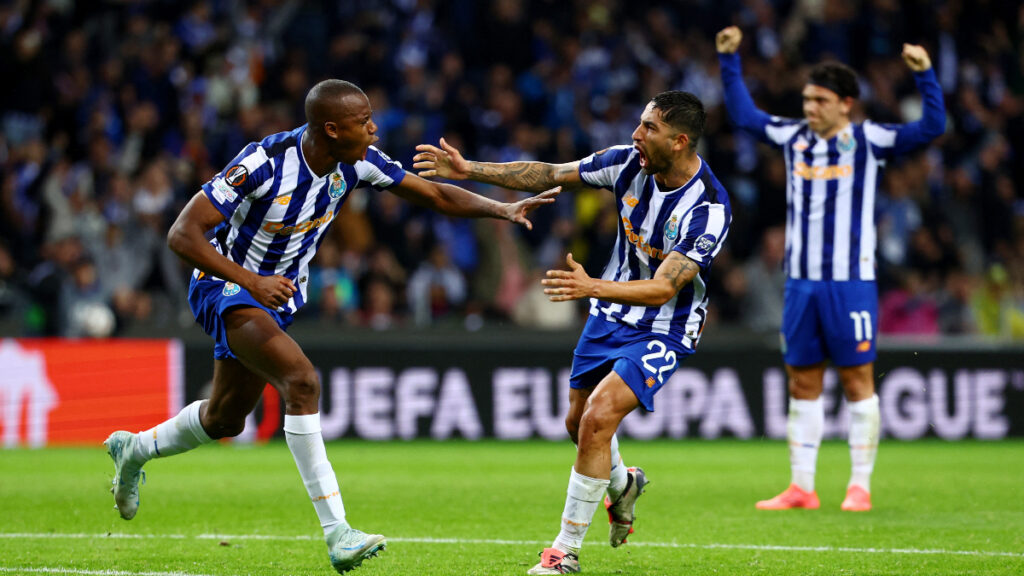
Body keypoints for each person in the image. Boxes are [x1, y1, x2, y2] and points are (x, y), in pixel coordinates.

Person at [102, 79, 558, 574]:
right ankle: (338, 532)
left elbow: (432, 194)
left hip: (273, 296)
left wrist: (502, 209)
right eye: (364, 121)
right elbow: (182, 233)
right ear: (332, 128)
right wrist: (251, 281)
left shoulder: (357, 162)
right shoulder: (264, 163)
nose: (374, 127)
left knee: (225, 419)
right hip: (227, 285)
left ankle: (136, 448)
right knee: (302, 381)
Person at [414, 90, 731, 574]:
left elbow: (663, 289)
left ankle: (564, 552)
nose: (636, 135)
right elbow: (551, 172)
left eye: (649, 129)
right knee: (577, 423)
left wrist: (589, 286)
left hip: (665, 325)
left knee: (599, 418)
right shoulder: (625, 164)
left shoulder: (707, 208)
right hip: (609, 312)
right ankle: (623, 484)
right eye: (640, 123)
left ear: (680, 141)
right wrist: (469, 168)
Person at [715, 26, 946, 511]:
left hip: (850, 282)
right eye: (806, 99)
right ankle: (802, 487)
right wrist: (730, 61)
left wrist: (925, 75)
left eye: (819, 100)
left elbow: (930, 128)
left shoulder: (869, 139)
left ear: (846, 104)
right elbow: (743, 115)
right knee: (802, 381)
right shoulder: (793, 137)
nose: (809, 108)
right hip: (800, 284)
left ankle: (859, 485)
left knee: (857, 379)